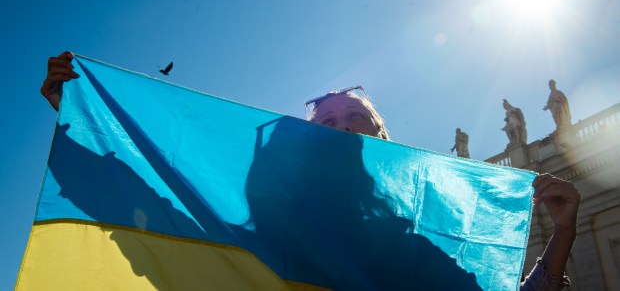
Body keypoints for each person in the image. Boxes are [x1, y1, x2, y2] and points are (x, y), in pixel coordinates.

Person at [42, 52, 580, 290]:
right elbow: (154, 211)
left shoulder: (414, 240)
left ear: (381, 140)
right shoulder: (265, 229)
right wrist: (74, 112)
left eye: (357, 119)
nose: (343, 128)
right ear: (303, 145)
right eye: (326, 121)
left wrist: (563, 232)